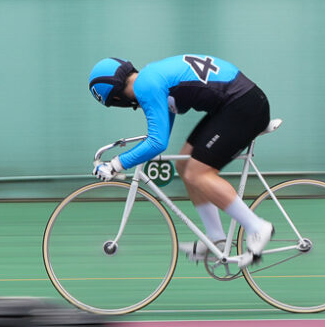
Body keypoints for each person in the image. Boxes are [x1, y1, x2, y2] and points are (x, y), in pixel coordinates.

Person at [87, 55, 273, 262]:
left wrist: (115, 164)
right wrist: (136, 152)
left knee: (198, 173)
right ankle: (216, 239)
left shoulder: (146, 86)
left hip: (243, 107)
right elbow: (161, 133)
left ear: (115, 99)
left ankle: (256, 227)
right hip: (239, 103)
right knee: (184, 165)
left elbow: (157, 143)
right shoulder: (150, 76)